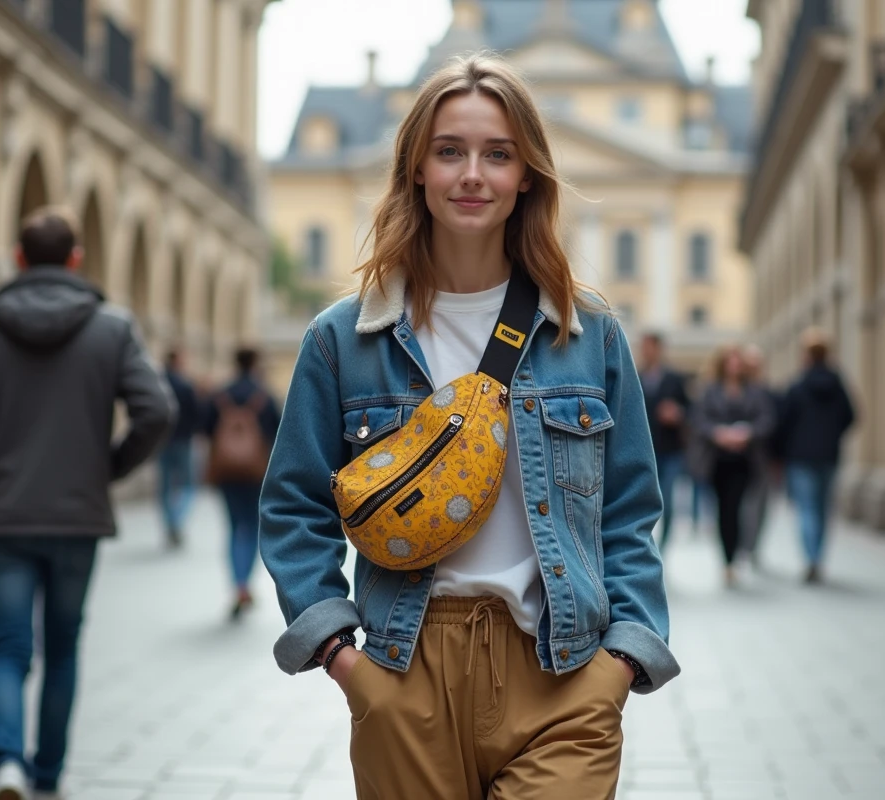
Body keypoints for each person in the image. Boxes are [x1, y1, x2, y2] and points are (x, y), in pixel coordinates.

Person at [259, 54, 678, 798]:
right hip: (406, 668)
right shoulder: (344, 339)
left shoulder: (588, 334)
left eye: (498, 154)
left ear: (527, 177)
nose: (473, 175)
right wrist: (344, 660)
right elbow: (293, 506)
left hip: (563, 672)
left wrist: (619, 666)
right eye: (450, 151)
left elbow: (629, 509)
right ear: (417, 168)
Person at [0, 207, 175, 799]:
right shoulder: (112, 328)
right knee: (62, 648)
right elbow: (158, 410)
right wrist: (108, 468)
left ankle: (6, 762)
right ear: (76, 259)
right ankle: (47, 773)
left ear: (18, 258)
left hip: (4, 516)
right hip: (77, 516)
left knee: (9, 648)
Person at [203, 346, 280, 621]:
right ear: (255, 363)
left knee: (235, 526)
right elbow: (279, 433)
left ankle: (238, 584)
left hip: (226, 472)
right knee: (254, 526)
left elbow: (206, 429)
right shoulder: (265, 396)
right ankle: (245, 584)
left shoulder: (220, 395)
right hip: (257, 472)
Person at [773, 328, 855, 584]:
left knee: (806, 508)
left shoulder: (797, 386)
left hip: (800, 456)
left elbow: (783, 422)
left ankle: (810, 559)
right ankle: (818, 557)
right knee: (822, 509)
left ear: (806, 355)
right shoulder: (838, 385)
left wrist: (782, 452)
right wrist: (832, 435)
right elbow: (850, 416)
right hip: (829, 455)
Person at [690, 344, 775, 587]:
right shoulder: (710, 390)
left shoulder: (754, 391)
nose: (735, 365)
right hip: (717, 461)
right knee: (723, 510)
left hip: (746, 461)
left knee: (739, 508)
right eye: (730, 360)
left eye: (738, 360)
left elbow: (767, 420)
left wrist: (747, 433)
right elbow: (699, 420)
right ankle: (727, 560)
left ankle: (736, 554)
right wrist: (718, 434)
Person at [638, 332, 690, 550]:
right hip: (642, 450)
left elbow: (690, 410)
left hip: (670, 450)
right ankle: (642, 542)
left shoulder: (674, 379)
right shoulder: (636, 376)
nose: (646, 352)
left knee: (667, 499)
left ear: (659, 349)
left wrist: (678, 413)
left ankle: (664, 545)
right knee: (641, 500)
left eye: (650, 347)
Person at [739, 343, 782, 566]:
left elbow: (779, 425)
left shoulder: (770, 393)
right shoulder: (738, 391)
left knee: (762, 505)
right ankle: (744, 545)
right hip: (740, 459)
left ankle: (753, 546)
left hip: (765, 458)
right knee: (746, 504)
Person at [158, 347, 200, 549]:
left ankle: (170, 522)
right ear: (177, 361)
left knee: (165, 486)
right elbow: (196, 414)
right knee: (188, 485)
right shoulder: (185, 385)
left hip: (162, 441)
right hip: (183, 441)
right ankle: (177, 519)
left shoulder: (158, 383)